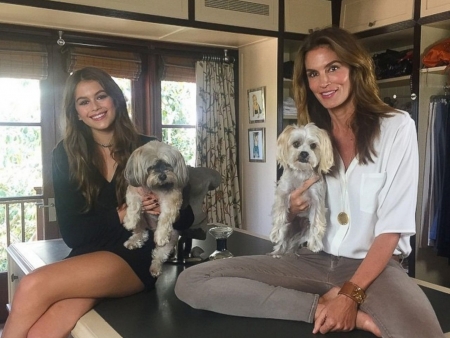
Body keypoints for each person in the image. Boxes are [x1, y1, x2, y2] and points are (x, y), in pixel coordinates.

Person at [175, 27, 445, 337]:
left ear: (355, 68)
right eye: (313, 74)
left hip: (374, 268)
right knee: (191, 281)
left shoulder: (397, 127)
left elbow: (392, 227)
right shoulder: (311, 138)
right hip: (311, 260)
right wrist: (292, 209)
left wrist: (349, 294)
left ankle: (333, 302)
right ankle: (317, 307)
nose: (324, 82)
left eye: (333, 68)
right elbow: (296, 222)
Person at [2, 66, 194, 338]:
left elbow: (186, 219)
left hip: (133, 255)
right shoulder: (65, 155)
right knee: (41, 332)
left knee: (32, 285)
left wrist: (163, 207)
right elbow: (73, 235)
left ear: (115, 99)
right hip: (87, 254)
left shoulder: (148, 148)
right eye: (84, 101)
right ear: (76, 112)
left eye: (101, 96)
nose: (95, 106)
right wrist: (122, 213)